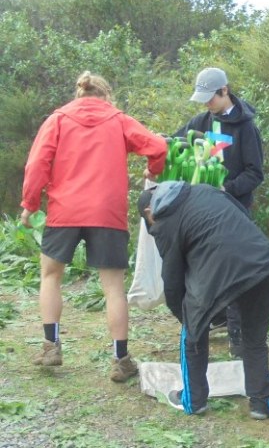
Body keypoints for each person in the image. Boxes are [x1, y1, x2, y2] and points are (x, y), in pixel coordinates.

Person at [20, 71, 167, 382]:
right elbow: (157, 147)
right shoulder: (119, 120)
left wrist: (30, 204)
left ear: (79, 94)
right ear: (106, 95)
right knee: (113, 288)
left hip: (65, 210)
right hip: (107, 212)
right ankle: (121, 360)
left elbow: (37, 164)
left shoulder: (58, 120)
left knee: (51, 275)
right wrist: (153, 171)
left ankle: (51, 347)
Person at [137, 181, 269, 419]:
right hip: (262, 262)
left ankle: (193, 401)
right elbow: (243, 217)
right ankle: (260, 404)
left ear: (149, 211)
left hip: (222, 269)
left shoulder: (164, 221)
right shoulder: (205, 190)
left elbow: (172, 280)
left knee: (192, 334)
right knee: (255, 338)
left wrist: (187, 319)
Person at [172, 67, 264, 358]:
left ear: (225, 91)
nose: (206, 104)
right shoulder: (201, 122)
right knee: (201, 270)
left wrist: (228, 188)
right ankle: (209, 322)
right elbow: (175, 144)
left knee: (234, 274)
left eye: (210, 98)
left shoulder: (246, 127)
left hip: (235, 212)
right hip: (202, 214)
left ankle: (238, 336)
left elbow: (255, 173)